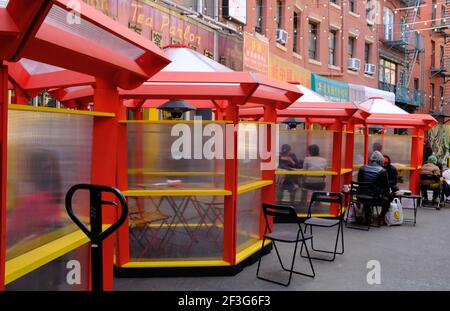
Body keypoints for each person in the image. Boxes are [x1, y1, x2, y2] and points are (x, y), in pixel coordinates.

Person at [357, 151, 391, 226]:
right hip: (374, 197)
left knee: (367, 193)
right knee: (388, 197)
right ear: (380, 160)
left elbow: (359, 182)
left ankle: (368, 217)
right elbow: (386, 187)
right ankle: (381, 217)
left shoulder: (362, 168)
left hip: (360, 196)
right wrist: (387, 194)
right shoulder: (382, 171)